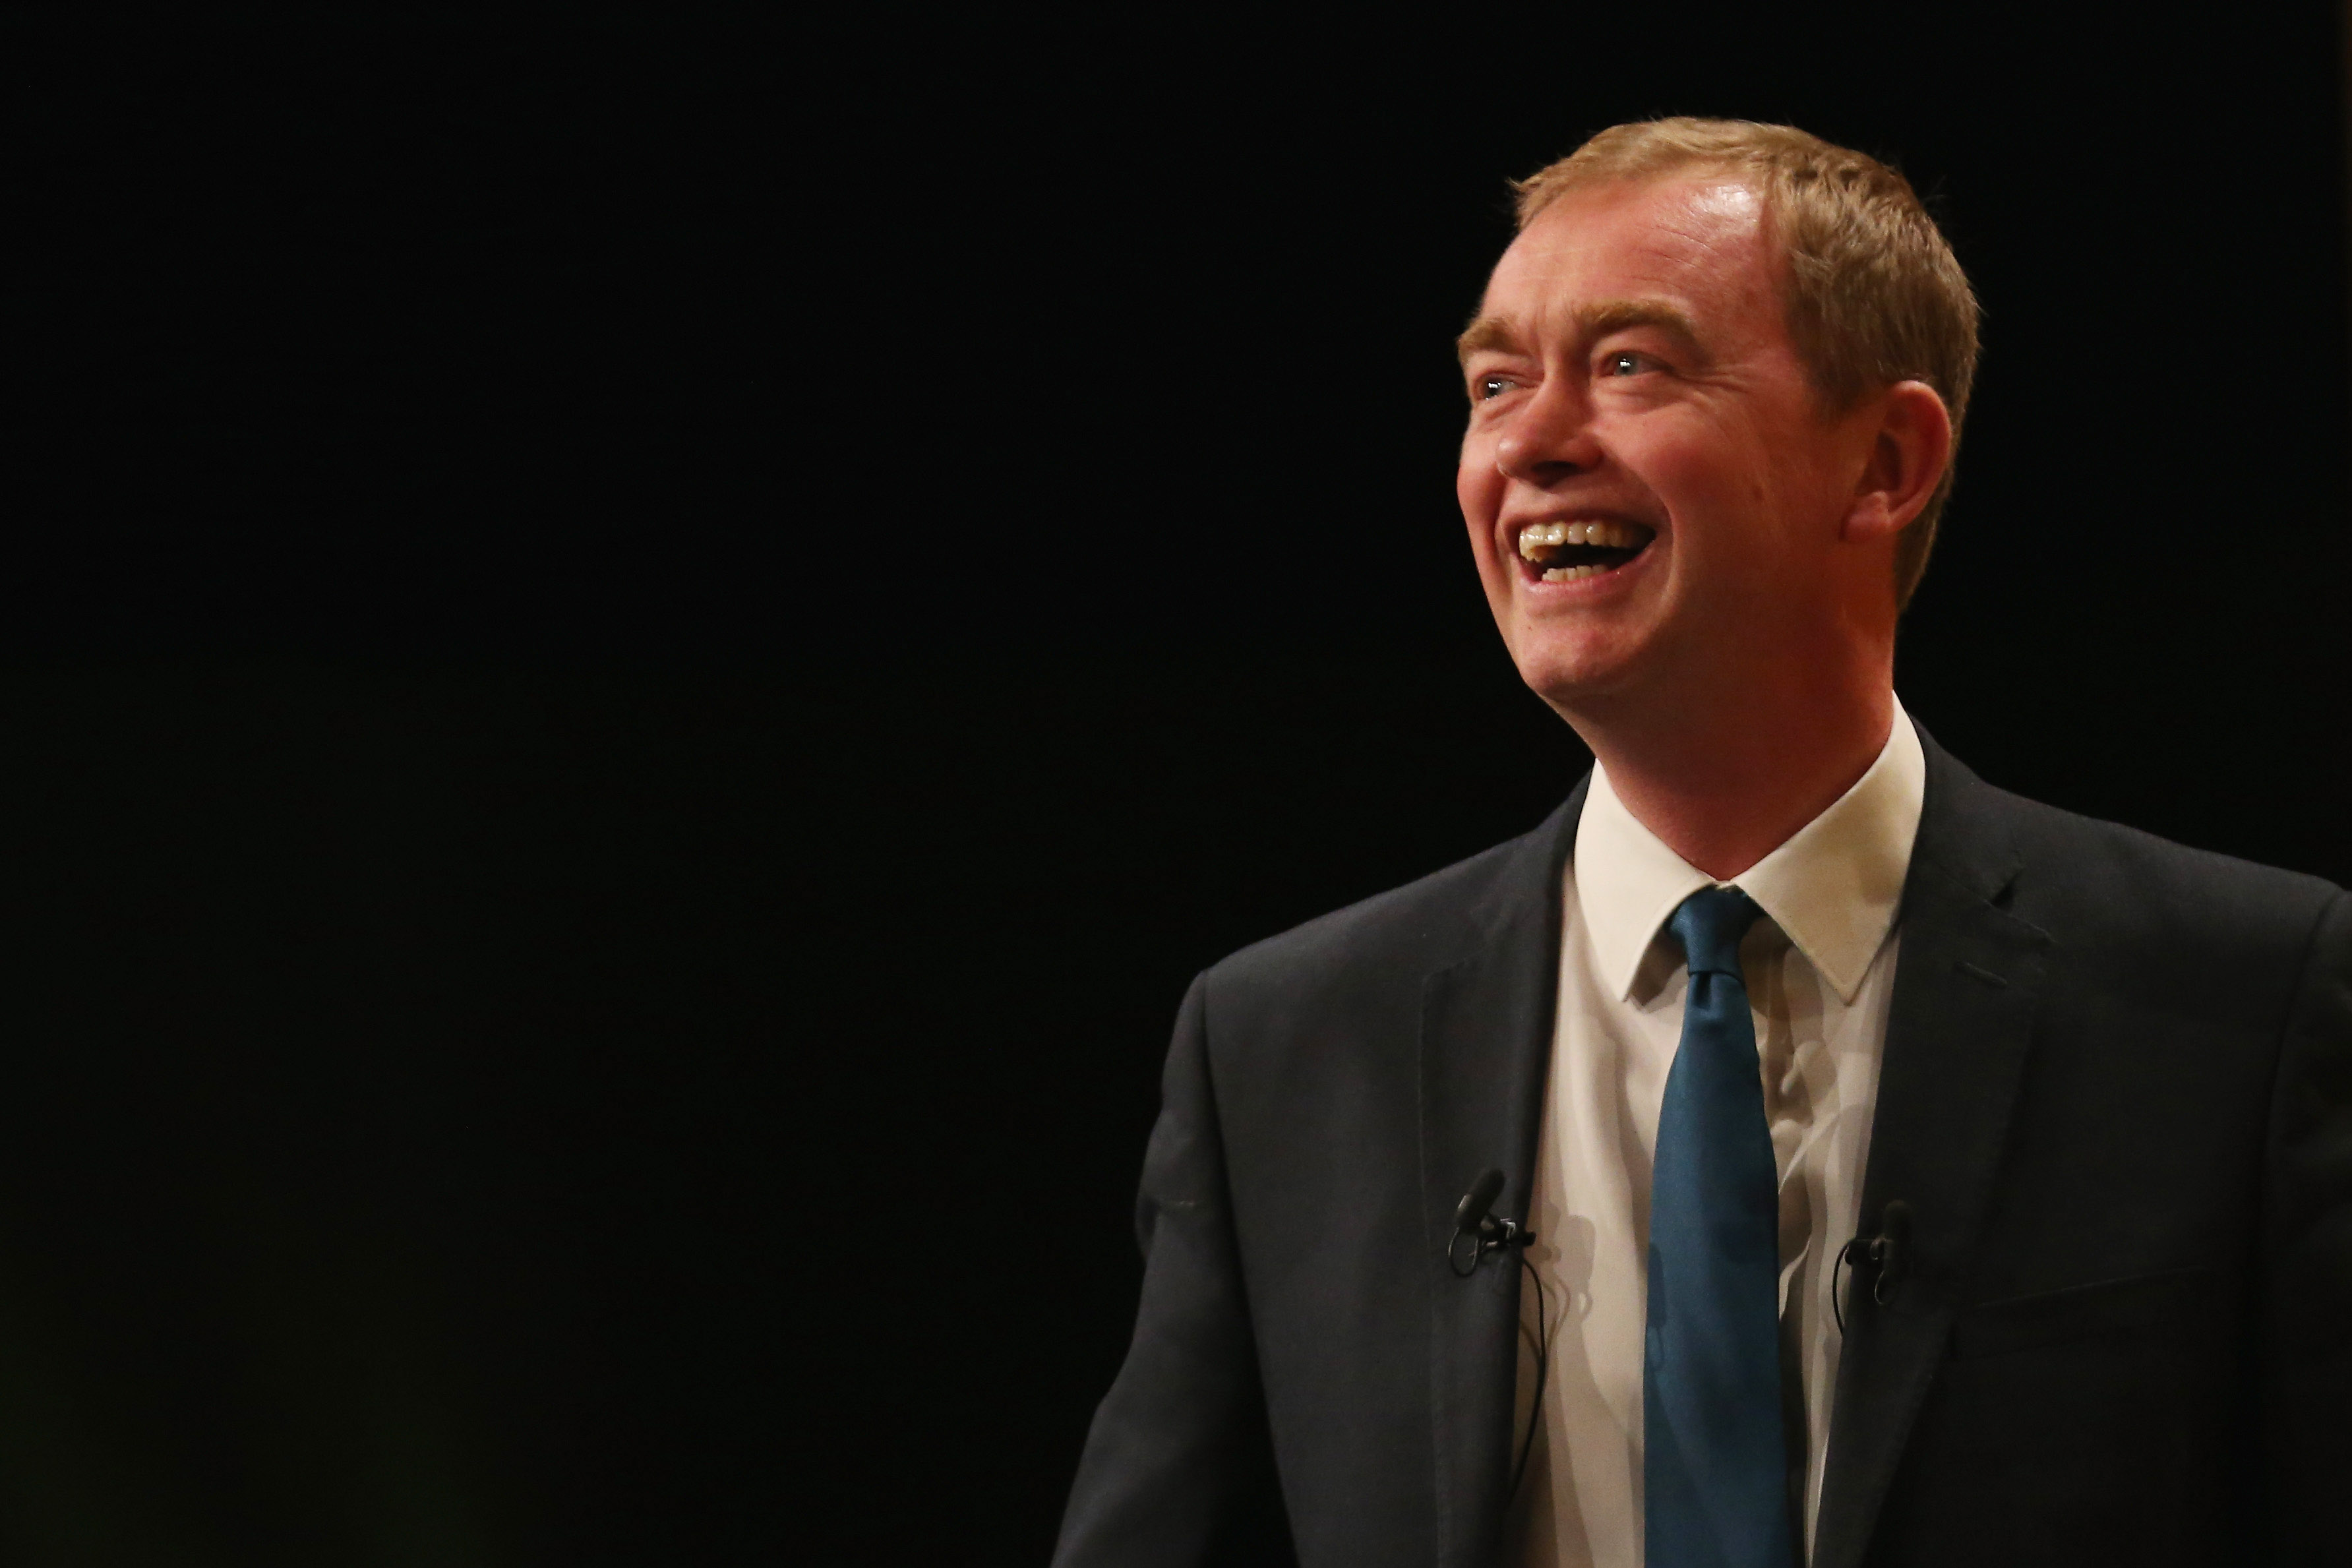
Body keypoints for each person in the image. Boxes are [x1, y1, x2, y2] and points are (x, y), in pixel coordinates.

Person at [1051, 119, 2351, 1568]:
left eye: (1629, 366)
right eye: (1494, 382)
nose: (1530, 443)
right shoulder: (1287, 1047)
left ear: (1883, 459)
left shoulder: (2238, 1002)